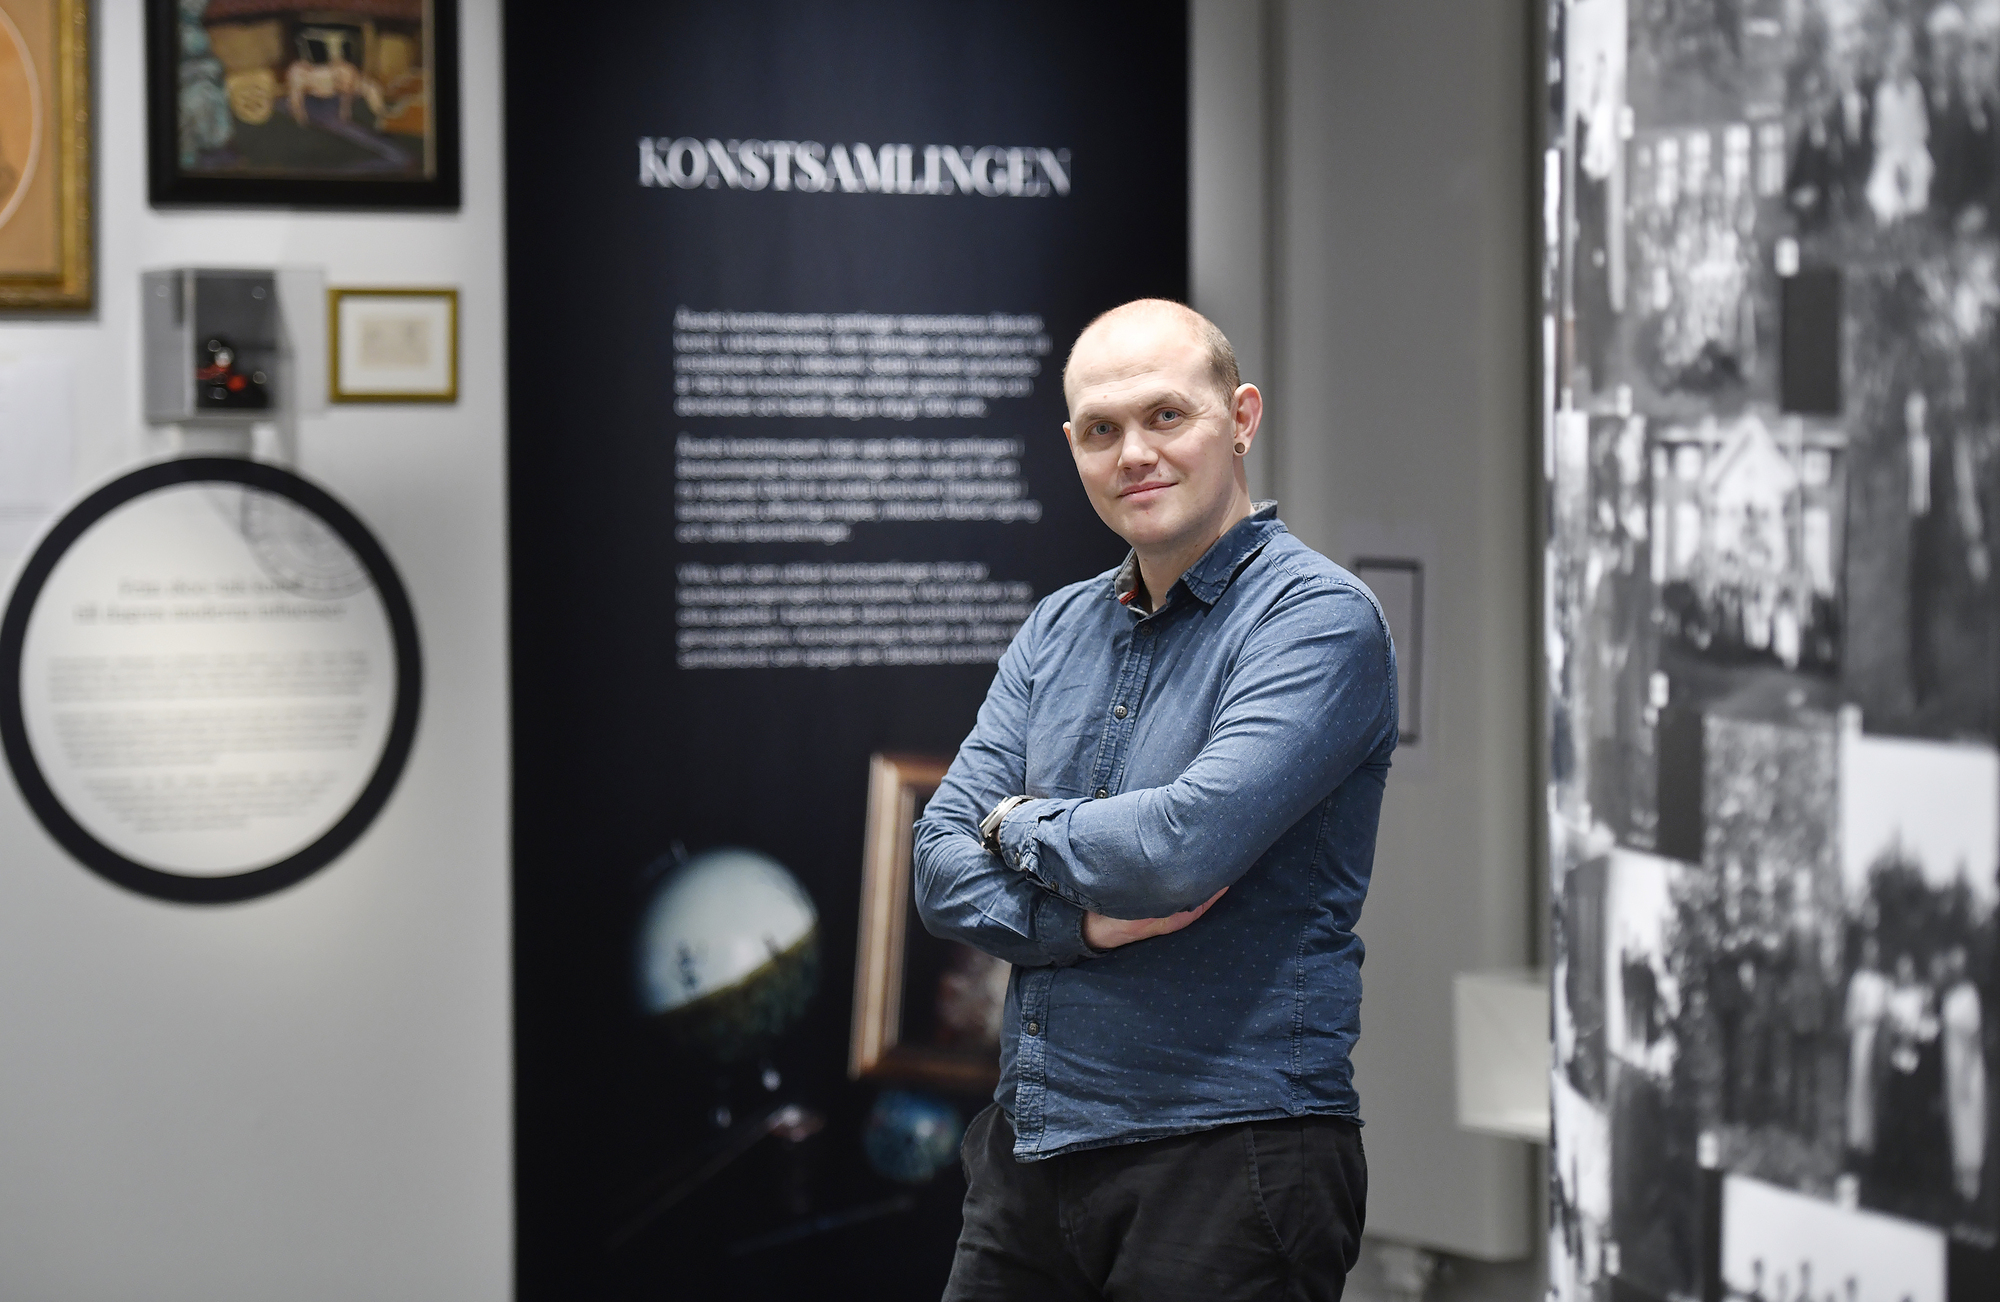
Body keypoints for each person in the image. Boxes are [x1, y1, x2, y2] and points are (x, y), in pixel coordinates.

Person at [913, 300, 1396, 1300]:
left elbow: (1176, 850)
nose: (1134, 453)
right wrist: (1082, 925)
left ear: (1241, 418)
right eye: (1102, 429)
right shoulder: (1057, 630)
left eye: (1166, 416)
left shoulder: (1317, 620)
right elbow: (935, 867)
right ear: (1073, 448)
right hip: (1030, 1151)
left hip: (1227, 1155)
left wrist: (1012, 821)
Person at [1940, 945, 1987, 1204]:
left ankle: (1972, 1186)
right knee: (1955, 1119)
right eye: (1953, 965)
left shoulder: (1970, 994)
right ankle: (1958, 1183)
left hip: (1966, 1064)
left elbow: (1974, 1037)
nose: (1956, 969)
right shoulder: (1949, 996)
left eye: (1960, 965)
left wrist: (1968, 1074)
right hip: (1950, 1061)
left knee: (1969, 1117)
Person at [1844, 936, 1891, 1164]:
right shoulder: (1858, 980)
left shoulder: (1883, 982)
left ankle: (1871, 1140)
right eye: (1868, 951)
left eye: (1875, 952)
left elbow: (1887, 1013)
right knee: (1859, 1082)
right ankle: (1856, 1137)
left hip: (1877, 1036)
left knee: (1874, 1086)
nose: (1872, 956)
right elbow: (1850, 1015)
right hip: (1861, 1035)